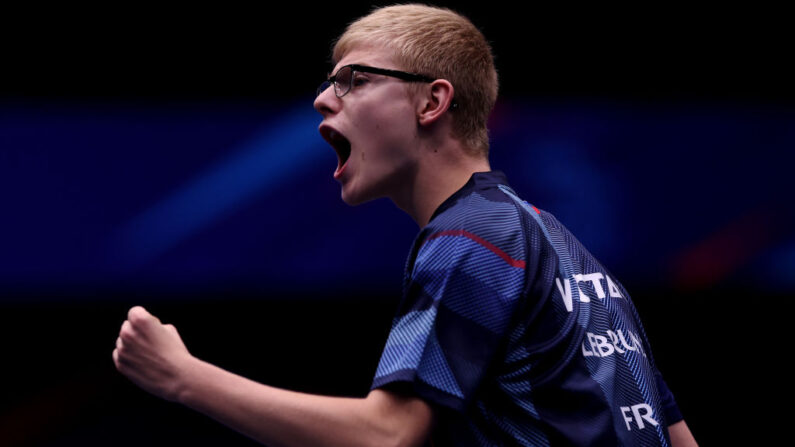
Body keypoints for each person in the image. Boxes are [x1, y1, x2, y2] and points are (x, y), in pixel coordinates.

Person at [113, 4, 698, 446]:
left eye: (353, 80)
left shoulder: (470, 239)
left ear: (431, 102)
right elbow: (674, 434)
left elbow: (387, 434)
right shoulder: (560, 247)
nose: (323, 100)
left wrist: (182, 378)